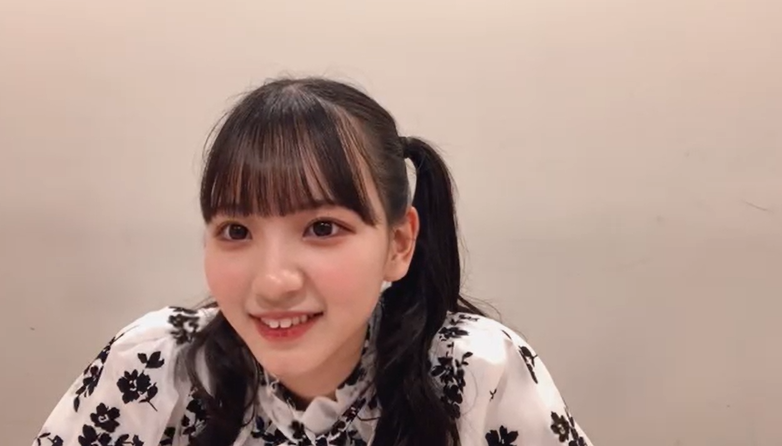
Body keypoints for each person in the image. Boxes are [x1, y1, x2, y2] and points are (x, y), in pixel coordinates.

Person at [33, 77, 592, 446]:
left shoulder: (477, 371)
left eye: (323, 228)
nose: (274, 281)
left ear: (398, 245)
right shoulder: (154, 366)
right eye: (236, 231)